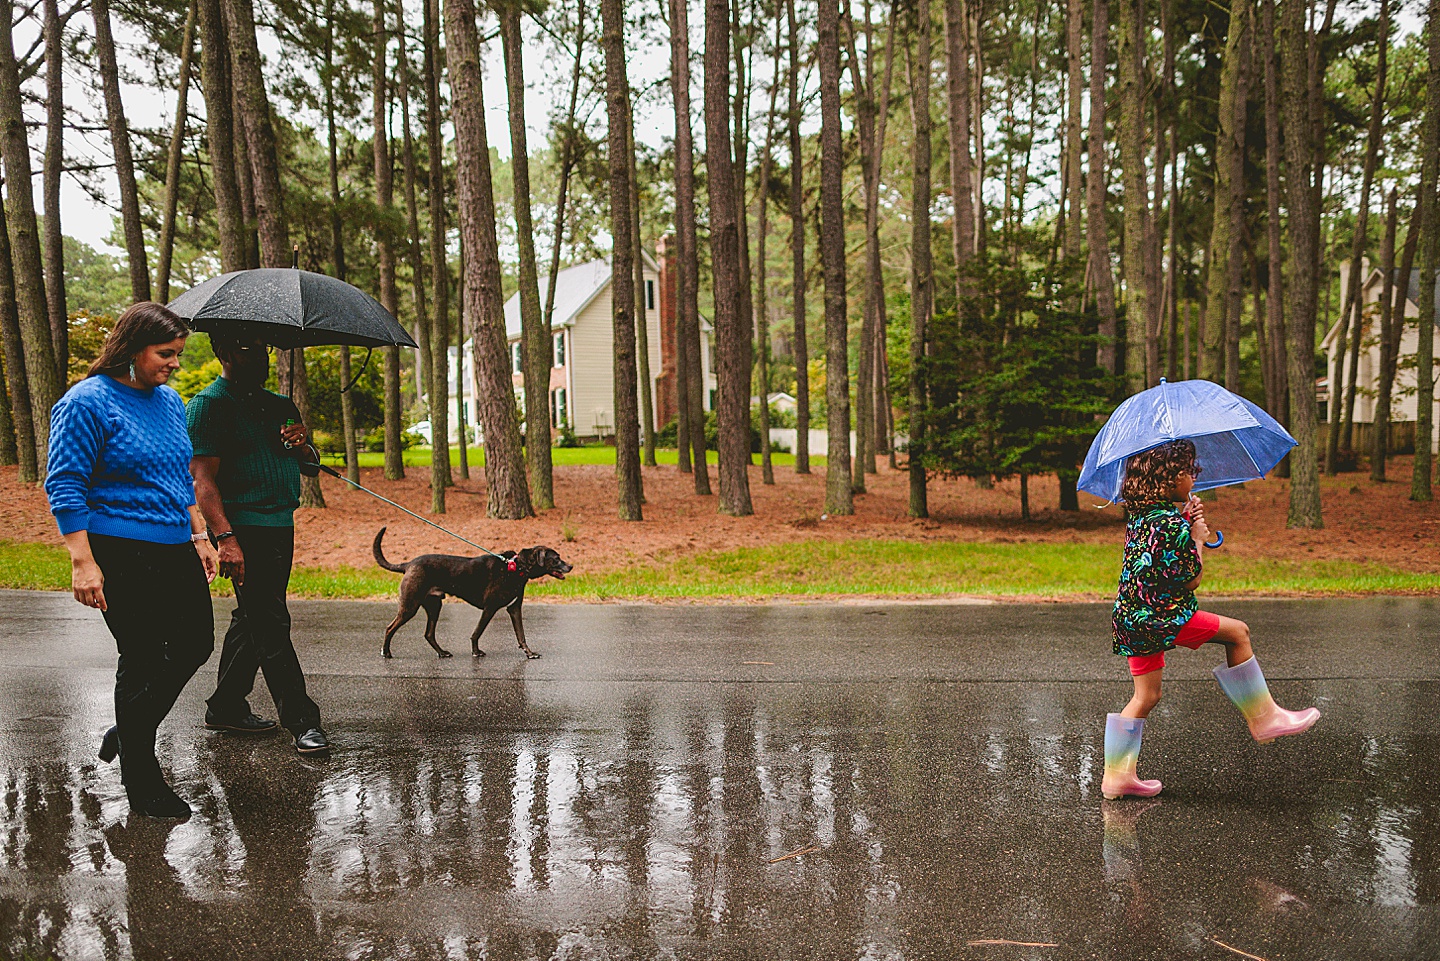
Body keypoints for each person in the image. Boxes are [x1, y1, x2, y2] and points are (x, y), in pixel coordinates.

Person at [45, 302, 219, 819]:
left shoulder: (168, 401)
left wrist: (200, 534)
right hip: (117, 548)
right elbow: (65, 483)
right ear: (132, 349)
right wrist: (82, 561)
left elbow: (177, 475)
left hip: (172, 542)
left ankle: (129, 726)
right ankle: (142, 780)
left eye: (179, 354)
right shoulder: (87, 402)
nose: (175, 364)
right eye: (166, 353)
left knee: (195, 643)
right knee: (142, 657)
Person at [1101, 439, 1320, 800]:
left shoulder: (1143, 515)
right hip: (1162, 616)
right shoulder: (1170, 522)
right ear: (1168, 478)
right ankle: (1265, 718)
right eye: (1188, 471)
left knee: (1147, 695)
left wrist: (1186, 523)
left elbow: (1160, 554)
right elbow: (1191, 577)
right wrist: (1198, 538)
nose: (1193, 476)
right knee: (1238, 633)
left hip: (1131, 617)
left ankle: (1117, 778)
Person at [186, 333, 329, 754]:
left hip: (279, 524)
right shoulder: (209, 406)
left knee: (253, 615)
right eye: (248, 349)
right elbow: (203, 480)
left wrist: (305, 445)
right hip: (240, 528)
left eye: (264, 350)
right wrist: (225, 538)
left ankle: (225, 705)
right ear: (224, 351)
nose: (262, 358)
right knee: (270, 619)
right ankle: (302, 720)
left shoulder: (280, 405)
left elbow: (311, 468)